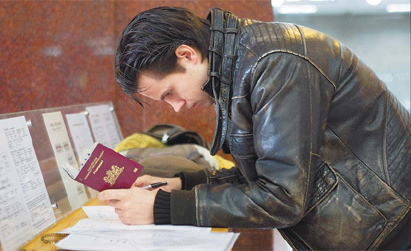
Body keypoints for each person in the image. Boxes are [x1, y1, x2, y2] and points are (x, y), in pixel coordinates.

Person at [98, 7, 410, 249]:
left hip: (395, 230)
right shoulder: (242, 64)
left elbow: (283, 198)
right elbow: (266, 173)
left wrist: (164, 207)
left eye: (169, 93)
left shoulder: (275, 63)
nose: (176, 106)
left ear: (187, 55)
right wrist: (183, 184)